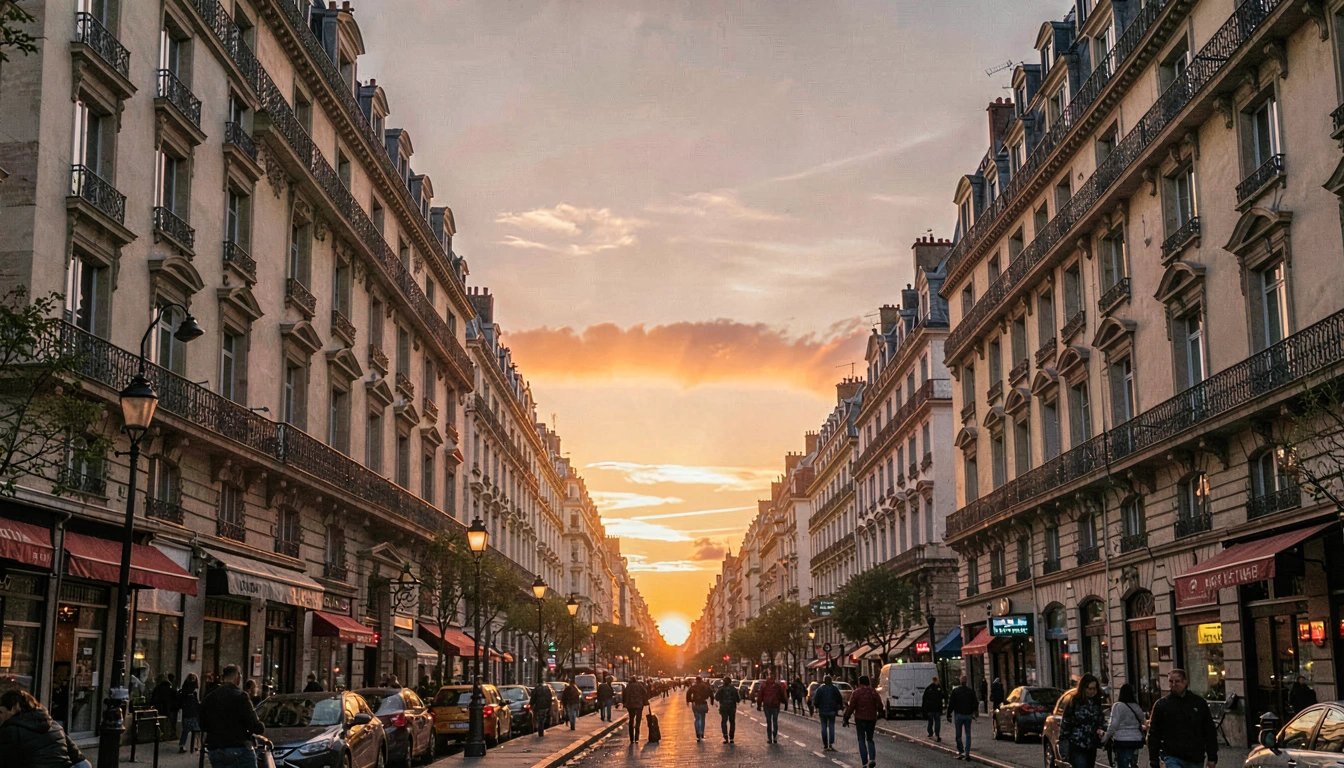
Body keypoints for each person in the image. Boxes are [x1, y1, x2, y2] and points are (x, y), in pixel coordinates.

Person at [1148, 669, 1218, 768]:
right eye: (1171, 681)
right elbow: (1154, 733)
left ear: (1185, 682)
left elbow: (1209, 730)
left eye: (1177, 681)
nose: (1173, 685)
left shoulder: (1198, 703)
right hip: (1172, 754)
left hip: (1195, 755)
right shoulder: (1162, 705)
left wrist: (1212, 757)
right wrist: (1154, 759)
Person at [0, 689, 86, 768]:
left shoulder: (11, 730)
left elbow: (7, 762)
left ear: (12, 709)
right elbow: (79, 758)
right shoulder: (55, 725)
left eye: (1, 712)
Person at [200, 664, 265, 768]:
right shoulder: (241, 696)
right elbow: (253, 725)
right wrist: (260, 726)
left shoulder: (210, 697)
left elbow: (202, 724)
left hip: (215, 749)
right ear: (237, 676)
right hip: (238, 747)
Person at [1062, 674, 1107, 768]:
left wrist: (1101, 730)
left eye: (1094, 689)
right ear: (1084, 688)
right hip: (1077, 744)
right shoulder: (1074, 702)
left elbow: (1100, 720)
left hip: (1091, 745)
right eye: (1090, 688)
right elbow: (1065, 725)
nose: (1092, 691)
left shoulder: (1096, 702)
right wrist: (1064, 747)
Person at [1104, 683, 1148, 768]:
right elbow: (1143, 719)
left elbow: (1113, 725)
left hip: (1122, 740)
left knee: (1123, 763)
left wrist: (1106, 737)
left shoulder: (1117, 706)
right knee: (1133, 762)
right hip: (1136, 740)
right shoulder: (1136, 706)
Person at [844, 675, 882, 768]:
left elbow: (851, 706)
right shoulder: (873, 692)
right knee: (870, 739)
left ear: (860, 682)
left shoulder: (856, 692)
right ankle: (872, 758)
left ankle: (864, 762)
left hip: (860, 718)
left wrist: (846, 717)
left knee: (861, 740)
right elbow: (879, 705)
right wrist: (879, 713)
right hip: (871, 718)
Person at [947, 674, 979, 760]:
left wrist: (948, 714)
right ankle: (967, 753)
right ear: (966, 681)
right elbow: (975, 702)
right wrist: (975, 711)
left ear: (960, 681)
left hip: (959, 714)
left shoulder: (956, 691)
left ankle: (961, 751)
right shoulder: (971, 691)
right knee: (968, 734)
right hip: (968, 715)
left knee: (958, 735)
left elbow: (951, 703)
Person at [812, 675, 843, 751]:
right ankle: (831, 744)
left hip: (822, 710)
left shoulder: (820, 689)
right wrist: (839, 707)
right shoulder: (834, 689)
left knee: (824, 727)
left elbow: (816, 699)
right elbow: (839, 698)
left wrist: (817, 706)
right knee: (831, 726)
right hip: (832, 710)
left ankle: (825, 743)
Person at [759, 671, 785, 743]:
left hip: (767, 705)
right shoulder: (777, 686)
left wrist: (759, 704)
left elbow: (760, 695)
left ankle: (769, 738)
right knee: (775, 721)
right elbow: (782, 695)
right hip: (775, 705)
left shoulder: (764, 685)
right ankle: (775, 737)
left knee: (768, 721)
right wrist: (785, 703)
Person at [178, 673, 201, 753]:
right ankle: (196, 746)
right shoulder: (194, 690)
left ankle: (182, 745)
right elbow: (196, 703)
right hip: (193, 713)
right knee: (196, 730)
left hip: (186, 713)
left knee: (185, 730)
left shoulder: (184, 690)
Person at [715, 675, 741, 744]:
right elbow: (738, 699)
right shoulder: (734, 689)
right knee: (732, 722)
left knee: (724, 722)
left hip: (723, 707)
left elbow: (716, 698)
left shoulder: (721, 688)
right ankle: (731, 737)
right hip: (732, 708)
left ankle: (725, 736)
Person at [151, 673, 178, 738]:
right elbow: (176, 699)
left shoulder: (157, 689)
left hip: (160, 709)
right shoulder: (171, 690)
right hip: (170, 709)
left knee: (161, 723)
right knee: (170, 723)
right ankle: (170, 734)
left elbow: (153, 699)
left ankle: (162, 735)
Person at [624, 677, 650, 743]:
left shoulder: (628, 686)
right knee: (638, 720)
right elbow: (645, 692)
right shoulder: (639, 685)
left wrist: (625, 703)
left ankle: (631, 738)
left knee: (631, 719)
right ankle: (636, 738)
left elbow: (624, 694)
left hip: (630, 705)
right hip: (639, 705)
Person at [686, 675, 712, 741]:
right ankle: (701, 732)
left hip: (695, 703)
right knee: (702, 718)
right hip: (703, 703)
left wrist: (689, 700)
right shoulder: (705, 686)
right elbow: (710, 692)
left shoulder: (693, 686)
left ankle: (697, 732)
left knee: (697, 718)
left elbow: (688, 693)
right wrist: (711, 700)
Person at [922, 676, 944, 742]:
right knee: (937, 722)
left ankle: (930, 733)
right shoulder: (939, 688)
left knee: (931, 721)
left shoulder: (929, 688)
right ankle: (936, 734)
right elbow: (942, 697)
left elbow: (925, 699)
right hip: (937, 708)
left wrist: (924, 708)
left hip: (930, 708)